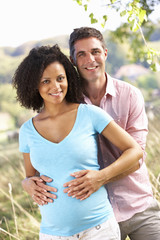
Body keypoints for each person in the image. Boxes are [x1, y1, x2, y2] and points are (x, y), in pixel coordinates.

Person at [21, 27, 160, 240]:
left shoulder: (128, 96)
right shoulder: (63, 107)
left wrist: (100, 178)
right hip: (88, 219)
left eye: (95, 51)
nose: (90, 59)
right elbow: (39, 168)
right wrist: (27, 183)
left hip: (135, 205)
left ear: (105, 53)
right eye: (81, 54)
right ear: (73, 61)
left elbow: (136, 156)